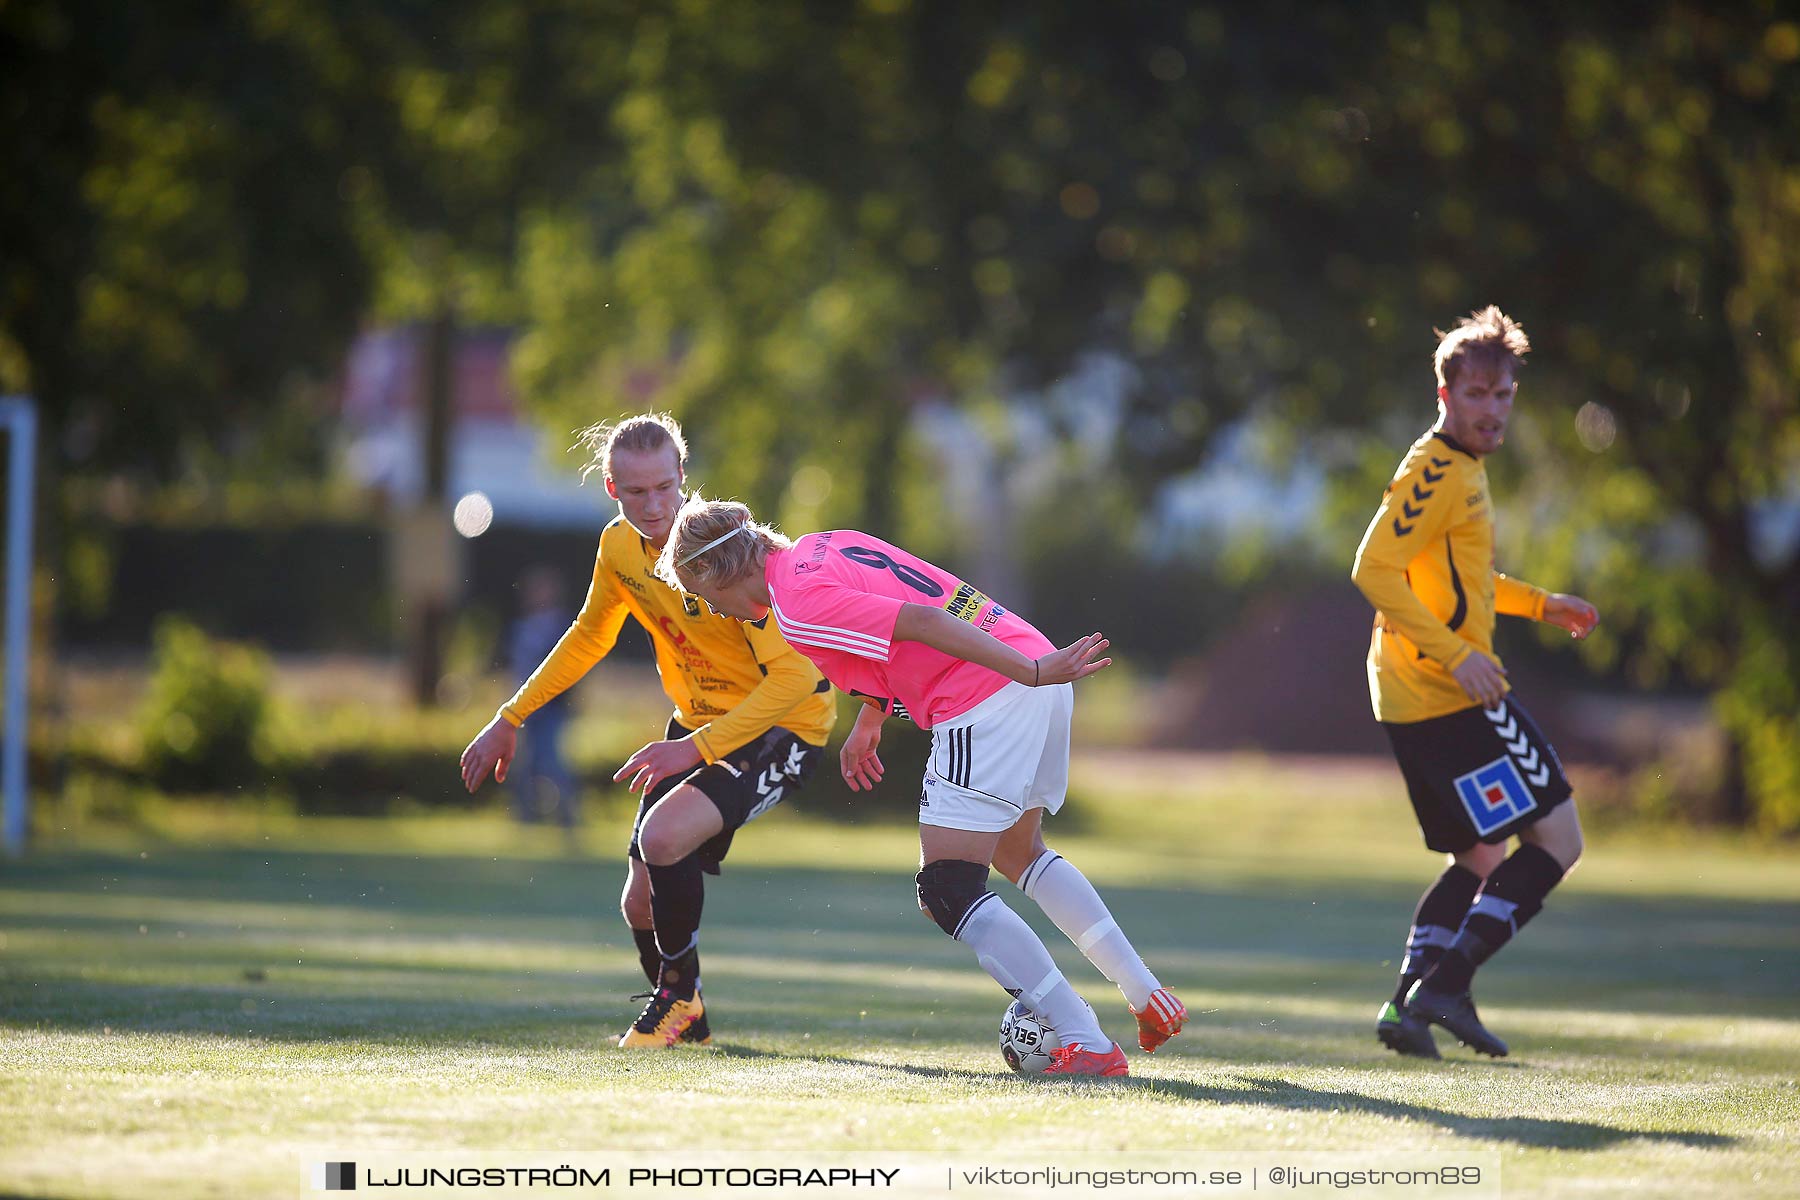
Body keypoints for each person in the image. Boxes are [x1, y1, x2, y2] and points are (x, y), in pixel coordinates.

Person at [658, 499, 1188, 1077]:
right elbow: (907, 624)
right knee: (1018, 852)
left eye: (700, 593)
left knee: (947, 888)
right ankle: (1146, 996)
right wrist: (872, 718)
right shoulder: (821, 545)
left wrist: (1026, 674)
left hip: (995, 692)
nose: (713, 609)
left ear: (714, 570)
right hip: (1029, 666)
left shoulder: (795, 604)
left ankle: (1084, 1039)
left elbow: (926, 623)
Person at [459, 414, 836, 1048]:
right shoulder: (618, 548)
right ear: (611, 489)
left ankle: (677, 999)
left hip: (784, 726)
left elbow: (793, 681)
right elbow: (589, 635)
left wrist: (694, 748)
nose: (654, 505)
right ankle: (686, 1026)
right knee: (639, 906)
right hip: (697, 725)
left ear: (684, 477)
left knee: (663, 838)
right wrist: (510, 716)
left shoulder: (734, 550)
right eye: (636, 493)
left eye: (665, 487)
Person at [1351, 305, 1599, 1059]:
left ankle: (1407, 1008)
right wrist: (1458, 655)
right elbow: (1373, 570)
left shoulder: (1461, 470)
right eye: (1477, 395)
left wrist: (1538, 604)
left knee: (1481, 856)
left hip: (1411, 693)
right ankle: (1448, 985)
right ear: (1444, 395)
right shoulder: (1435, 469)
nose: (1491, 410)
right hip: (1447, 693)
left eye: (1503, 396)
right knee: (1558, 839)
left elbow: (1459, 576)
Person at [505, 566, 577, 829]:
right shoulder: (521, 625)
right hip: (525, 706)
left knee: (551, 760)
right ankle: (526, 815)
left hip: (552, 706)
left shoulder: (563, 624)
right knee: (525, 762)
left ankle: (567, 816)